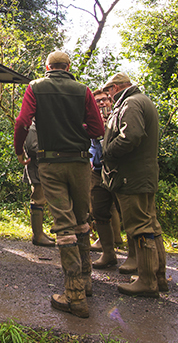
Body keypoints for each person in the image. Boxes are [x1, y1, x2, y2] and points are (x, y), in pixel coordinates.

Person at [14, 51, 104, 318]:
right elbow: (97, 129)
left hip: (51, 163)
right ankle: (86, 281)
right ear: (68, 67)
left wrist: (20, 150)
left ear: (47, 68)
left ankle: (74, 296)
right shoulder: (83, 90)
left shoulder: (36, 87)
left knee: (63, 226)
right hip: (79, 163)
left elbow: (22, 122)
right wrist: (78, 131)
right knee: (82, 219)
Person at [101, 72, 168, 297]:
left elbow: (131, 136)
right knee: (151, 225)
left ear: (117, 87)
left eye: (109, 90)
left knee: (139, 227)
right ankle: (158, 277)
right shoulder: (142, 100)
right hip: (142, 175)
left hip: (132, 176)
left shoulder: (130, 103)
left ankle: (147, 281)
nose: (108, 95)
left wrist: (107, 152)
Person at [89, 88, 120, 269]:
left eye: (104, 100)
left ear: (110, 101)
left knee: (121, 208)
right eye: (98, 101)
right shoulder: (92, 118)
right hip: (97, 170)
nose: (101, 103)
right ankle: (108, 252)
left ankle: (130, 252)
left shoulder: (118, 116)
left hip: (116, 170)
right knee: (98, 209)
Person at [22, 121, 55, 247]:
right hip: (37, 167)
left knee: (44, 199)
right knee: (38, 199)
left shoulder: (42, 124)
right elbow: (31, 147)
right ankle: (38, 235)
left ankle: (40, 233)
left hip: (44, 166)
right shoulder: (32, 126)